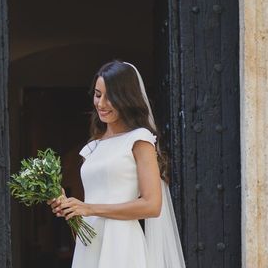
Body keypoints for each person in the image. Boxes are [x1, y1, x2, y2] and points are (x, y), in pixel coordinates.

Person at [48, 60, 185, 268]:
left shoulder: (140, 139)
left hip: (122, 245)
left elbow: (152, 205)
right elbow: (88, 213)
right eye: (97, 94)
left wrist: (88, 208)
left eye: (110, 96)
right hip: (89, 245)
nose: (101, 104)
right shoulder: (94, 146)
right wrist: (71, 209)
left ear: (126, 98)